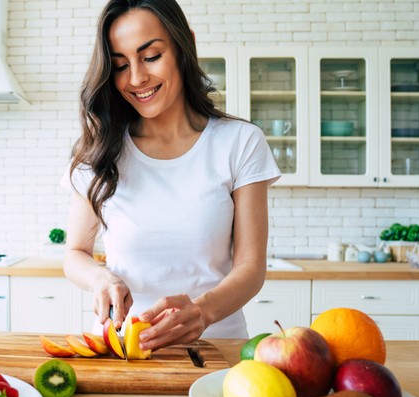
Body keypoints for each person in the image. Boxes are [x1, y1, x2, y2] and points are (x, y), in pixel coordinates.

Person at [60, 0, 281, 352]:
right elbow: (75, 253)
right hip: (123, 348)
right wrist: (100, 278)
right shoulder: (99, 150)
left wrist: (204, 313)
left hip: (216, 348)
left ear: (185, 46)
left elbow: (251, 266)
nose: (136, 78)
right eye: (120, 65)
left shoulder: (239, 142)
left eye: (151, 57)